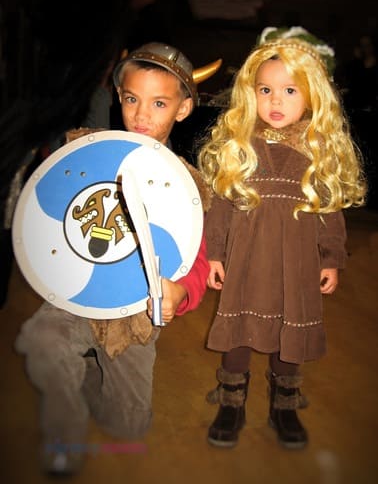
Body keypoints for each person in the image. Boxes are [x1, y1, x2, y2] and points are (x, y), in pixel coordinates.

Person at [15, 42, 215, 476]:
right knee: (41, 339)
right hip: (76, 296)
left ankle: (89, 375)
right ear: (117, 97)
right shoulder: (82, 153)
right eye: (131, 99)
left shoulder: (188, 187)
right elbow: (46, 206)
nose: (142, 114)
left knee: (126, 425)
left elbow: (196, 260)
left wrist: (179, 291)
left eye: (159, 103)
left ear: (182, 110)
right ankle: (64, 442)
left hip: (134, 315)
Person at [198, 26, 366, 450]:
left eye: (290, 91)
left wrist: (331, 258)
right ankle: (232, 401)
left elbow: (330, 209)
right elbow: (219, 203)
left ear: (312, 96)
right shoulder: (240, 145)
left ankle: (284, 404)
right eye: (266, 89)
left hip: (297, 265)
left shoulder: (317, 150)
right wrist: (214, 254)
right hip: (247, 260)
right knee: (237, 330)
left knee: (290, 335)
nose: (276, 101)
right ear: (249, 93)